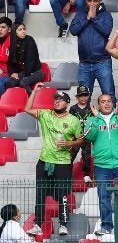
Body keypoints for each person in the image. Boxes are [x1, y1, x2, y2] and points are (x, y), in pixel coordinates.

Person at [24, 84, 83, 237]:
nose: (57, 101)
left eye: (60, 100)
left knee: (63, 195)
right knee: (40, 193)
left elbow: (81, 139)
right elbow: (27, 109)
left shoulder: (73, 120)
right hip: (44, 161)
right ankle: (38, 224)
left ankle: (63, 225)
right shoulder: (45, 114)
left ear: (67, 103)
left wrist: (69, 143)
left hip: (63, 162)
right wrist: (35, 92)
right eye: (55, 99)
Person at [84, 94, 118, 236]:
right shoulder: (92, 120)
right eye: (103, 102)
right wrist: (96, 119)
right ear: (98, 105)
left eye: (109, 101)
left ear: (113, 103)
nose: (107, 104)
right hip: (102, 165)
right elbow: (88, 135)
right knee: (104, 197)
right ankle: (106, 226)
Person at [70, 0, 115, 100]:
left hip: (102, 62)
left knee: (109, 95)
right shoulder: (80, 14)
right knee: (83, 98)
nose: (92, 3)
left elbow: (106, 31)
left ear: (100, 1)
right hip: (84, 63)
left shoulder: (106, 15)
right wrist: (87, 18)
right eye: (90, 1)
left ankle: (113, 113)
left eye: (95, 1)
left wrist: (94, 18)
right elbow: (73, 30)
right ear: (86, 1)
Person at [5, 23, 43, 93]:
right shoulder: (13, 42)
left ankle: (31, 98)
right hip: (23, 72)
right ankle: (13, 99)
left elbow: (30, 61)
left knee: (23, 82)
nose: (23, 31)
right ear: (14, 31)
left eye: (24, 29)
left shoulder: (29, 40)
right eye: (20, 30)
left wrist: (23, 76)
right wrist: (12, 73)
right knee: (9, 82)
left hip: (35, 72)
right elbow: (10, 60)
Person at [69, 85, 93, 184]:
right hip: (76, 137)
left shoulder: (91, 108)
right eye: (81, 95)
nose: (83, 98)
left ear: (89, 96)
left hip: (87, 137)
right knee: (71, 155)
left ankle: (86, 175)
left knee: (87, 156)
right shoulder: (73, 108)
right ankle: (68, 174)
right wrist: (71, 136)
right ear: (76, 97)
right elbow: (70, 122)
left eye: (85, 95)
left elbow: (94, 122)